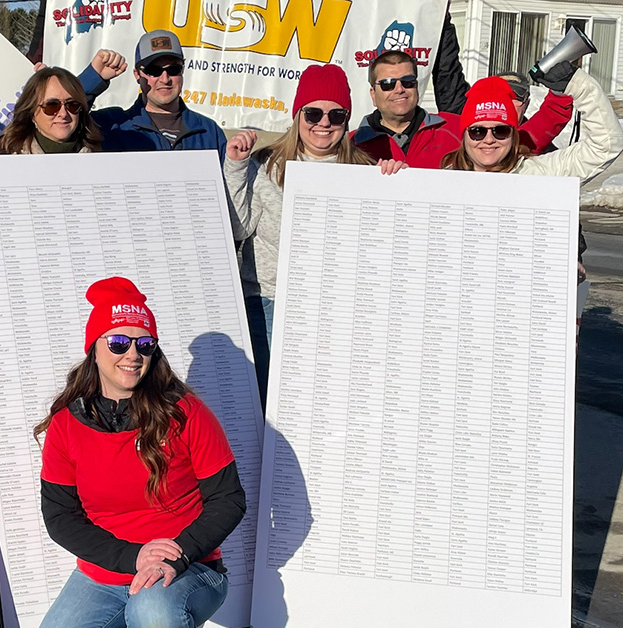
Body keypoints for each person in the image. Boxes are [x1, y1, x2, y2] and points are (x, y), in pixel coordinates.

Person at [37, 277, 244, 628]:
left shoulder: (185, 413)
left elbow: (228, 499)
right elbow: (59, 517)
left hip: (188, 566)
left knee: (151, 612)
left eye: (145, 344)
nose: (132, 354)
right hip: (105, 574)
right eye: (118, 342)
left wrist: (175, 557)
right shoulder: (66, 424)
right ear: (95, 347)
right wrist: (134, 557)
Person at [224, 64, 405, 403]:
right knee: (268, 403)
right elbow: (238, 227)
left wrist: (400, 182)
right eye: (313, 113)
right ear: (298, 115)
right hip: (269, 303)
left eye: (336, 115)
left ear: (347, 120)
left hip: (335, 308)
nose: (324, 123)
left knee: (322, 403)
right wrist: (234, 168)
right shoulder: (266, 165)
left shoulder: (365, 170)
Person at [442, 62, 623, 180]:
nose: (489, 139)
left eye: (501, 131)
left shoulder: (539, 173)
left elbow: (605, 146)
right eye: (477, 132)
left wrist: (579, 86)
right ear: (464, 136)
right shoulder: (441, 182)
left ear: (513, 135)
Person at [430, 11, 573, 154]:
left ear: (526, 104)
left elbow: (552, 116)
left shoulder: (531, 140)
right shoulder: (466, 119)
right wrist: (443, 24)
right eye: (500, 96)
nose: (506, 104)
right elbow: (447, 74)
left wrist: (561, 90)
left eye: (514, 98)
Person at [79, 31, 227, 160]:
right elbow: (64, 117)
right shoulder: (110, 126)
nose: (165, 79)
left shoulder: (209, 131)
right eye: (153, 70)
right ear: (137, 75)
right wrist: (93, 78)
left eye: (173, 69)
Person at [351, 49, 462, 168]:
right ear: (373, 94)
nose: (399, 90)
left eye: (408, 82)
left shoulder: (456, 129)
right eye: (388, 84)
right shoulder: (352, 143)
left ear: (416, 87)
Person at [0, 67, 102, 154]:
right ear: (32, 113)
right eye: (52, 105)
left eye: (72, 105)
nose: (63, 114)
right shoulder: (4, 165)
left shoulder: (102, 158)